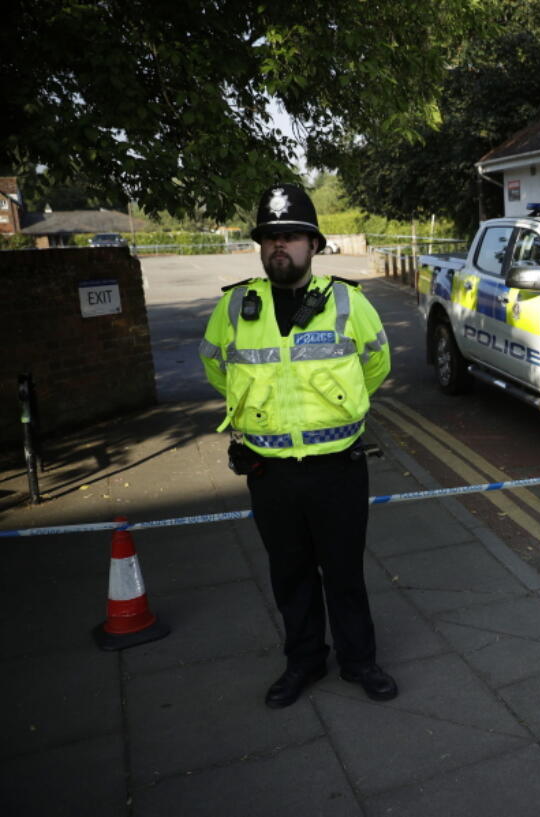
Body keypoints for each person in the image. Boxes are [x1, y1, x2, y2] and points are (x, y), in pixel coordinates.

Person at [199, 183, 396, 708]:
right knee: (290, 574)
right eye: (269, 238)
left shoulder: (348, 302)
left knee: (345, 572)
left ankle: (359, 662)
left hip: (338, 468)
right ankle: (304, 662)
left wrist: (339, 409)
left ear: (314, 245)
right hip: (269, 471)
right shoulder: (235, 305)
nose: (278, 246)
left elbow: (376, 364)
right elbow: (217, 368)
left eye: (290, 237)